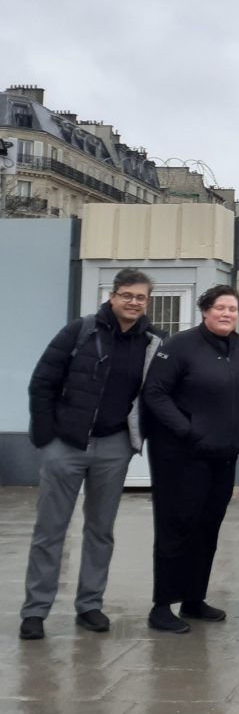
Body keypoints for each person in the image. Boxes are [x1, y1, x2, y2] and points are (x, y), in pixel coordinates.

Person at [19, 269, 163, 641]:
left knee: (101, 530)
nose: (134, 302)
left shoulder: (153, 342)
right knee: (50, 530)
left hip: (114, 447)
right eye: (127, 295)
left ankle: (90, 605)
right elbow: (42, 382)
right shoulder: (80, 331)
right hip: (65, 446)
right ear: (112, 296)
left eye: (141, 297)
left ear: (148, 302)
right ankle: (36, 611)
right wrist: (46, 438)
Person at [143, 285, 239, 633]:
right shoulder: (180, 346)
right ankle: (162, 605)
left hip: (222, 456)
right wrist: (186, 429)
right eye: (220, 308)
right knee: (176, 527)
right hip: (181, 456)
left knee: (207, 527)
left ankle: (194, 598)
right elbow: (156, 393)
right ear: (205, 310)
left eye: (233, 309)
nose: (226, 314)